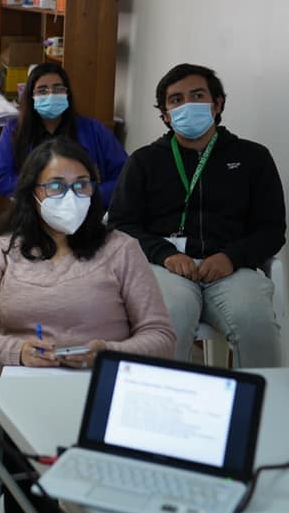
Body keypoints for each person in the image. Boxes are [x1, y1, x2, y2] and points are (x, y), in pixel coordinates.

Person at [0, 137, 176, 513]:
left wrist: (108, 352)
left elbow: (161, 337)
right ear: (32, 193)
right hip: (30, 388)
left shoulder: (121, 249)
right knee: (13, 428)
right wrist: (17, 351)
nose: (70, 195)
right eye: (55, 186)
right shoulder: (4, 249)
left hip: (105, 388)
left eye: (81, 184)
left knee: (8, 435)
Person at [109, 63, 286, 366]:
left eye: (197, 95)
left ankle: (261, 409)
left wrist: (231, 257)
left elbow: (271, 229)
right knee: (169, 320)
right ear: (165, 114)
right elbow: (121, 225)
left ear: (217, 104)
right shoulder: (144, 161)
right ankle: (166, 406)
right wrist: (165, 254)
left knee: (254, 323)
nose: (187, 105)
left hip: (234, 269)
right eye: (176, 100)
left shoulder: (253, 158)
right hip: (164, 268)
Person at [0, 63, 126, 206]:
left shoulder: (93, 129)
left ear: (67, 94)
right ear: (31, 96)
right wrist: (42, 191)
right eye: (42, 91)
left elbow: (125, 175)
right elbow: (2, 177)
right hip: (33, 211)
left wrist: (89, 193)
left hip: (86, 209)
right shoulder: (14, 130)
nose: (51, 95)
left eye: (57, 89)